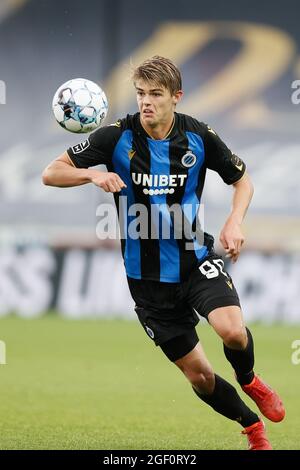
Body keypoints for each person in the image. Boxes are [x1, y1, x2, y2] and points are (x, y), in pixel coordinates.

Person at [42, 56, 285, 450]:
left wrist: (235, 221)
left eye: (155, 94)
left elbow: (242, 181)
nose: (146, 102)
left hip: (194, 260)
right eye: (140, 94)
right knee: (201, 377)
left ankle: (249, 379)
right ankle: (252, 428)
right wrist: (92, 173)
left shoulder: (199, 136)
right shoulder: (115, 136)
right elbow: (51, 172)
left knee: (233, 332)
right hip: (147, 282)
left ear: (177, 96)